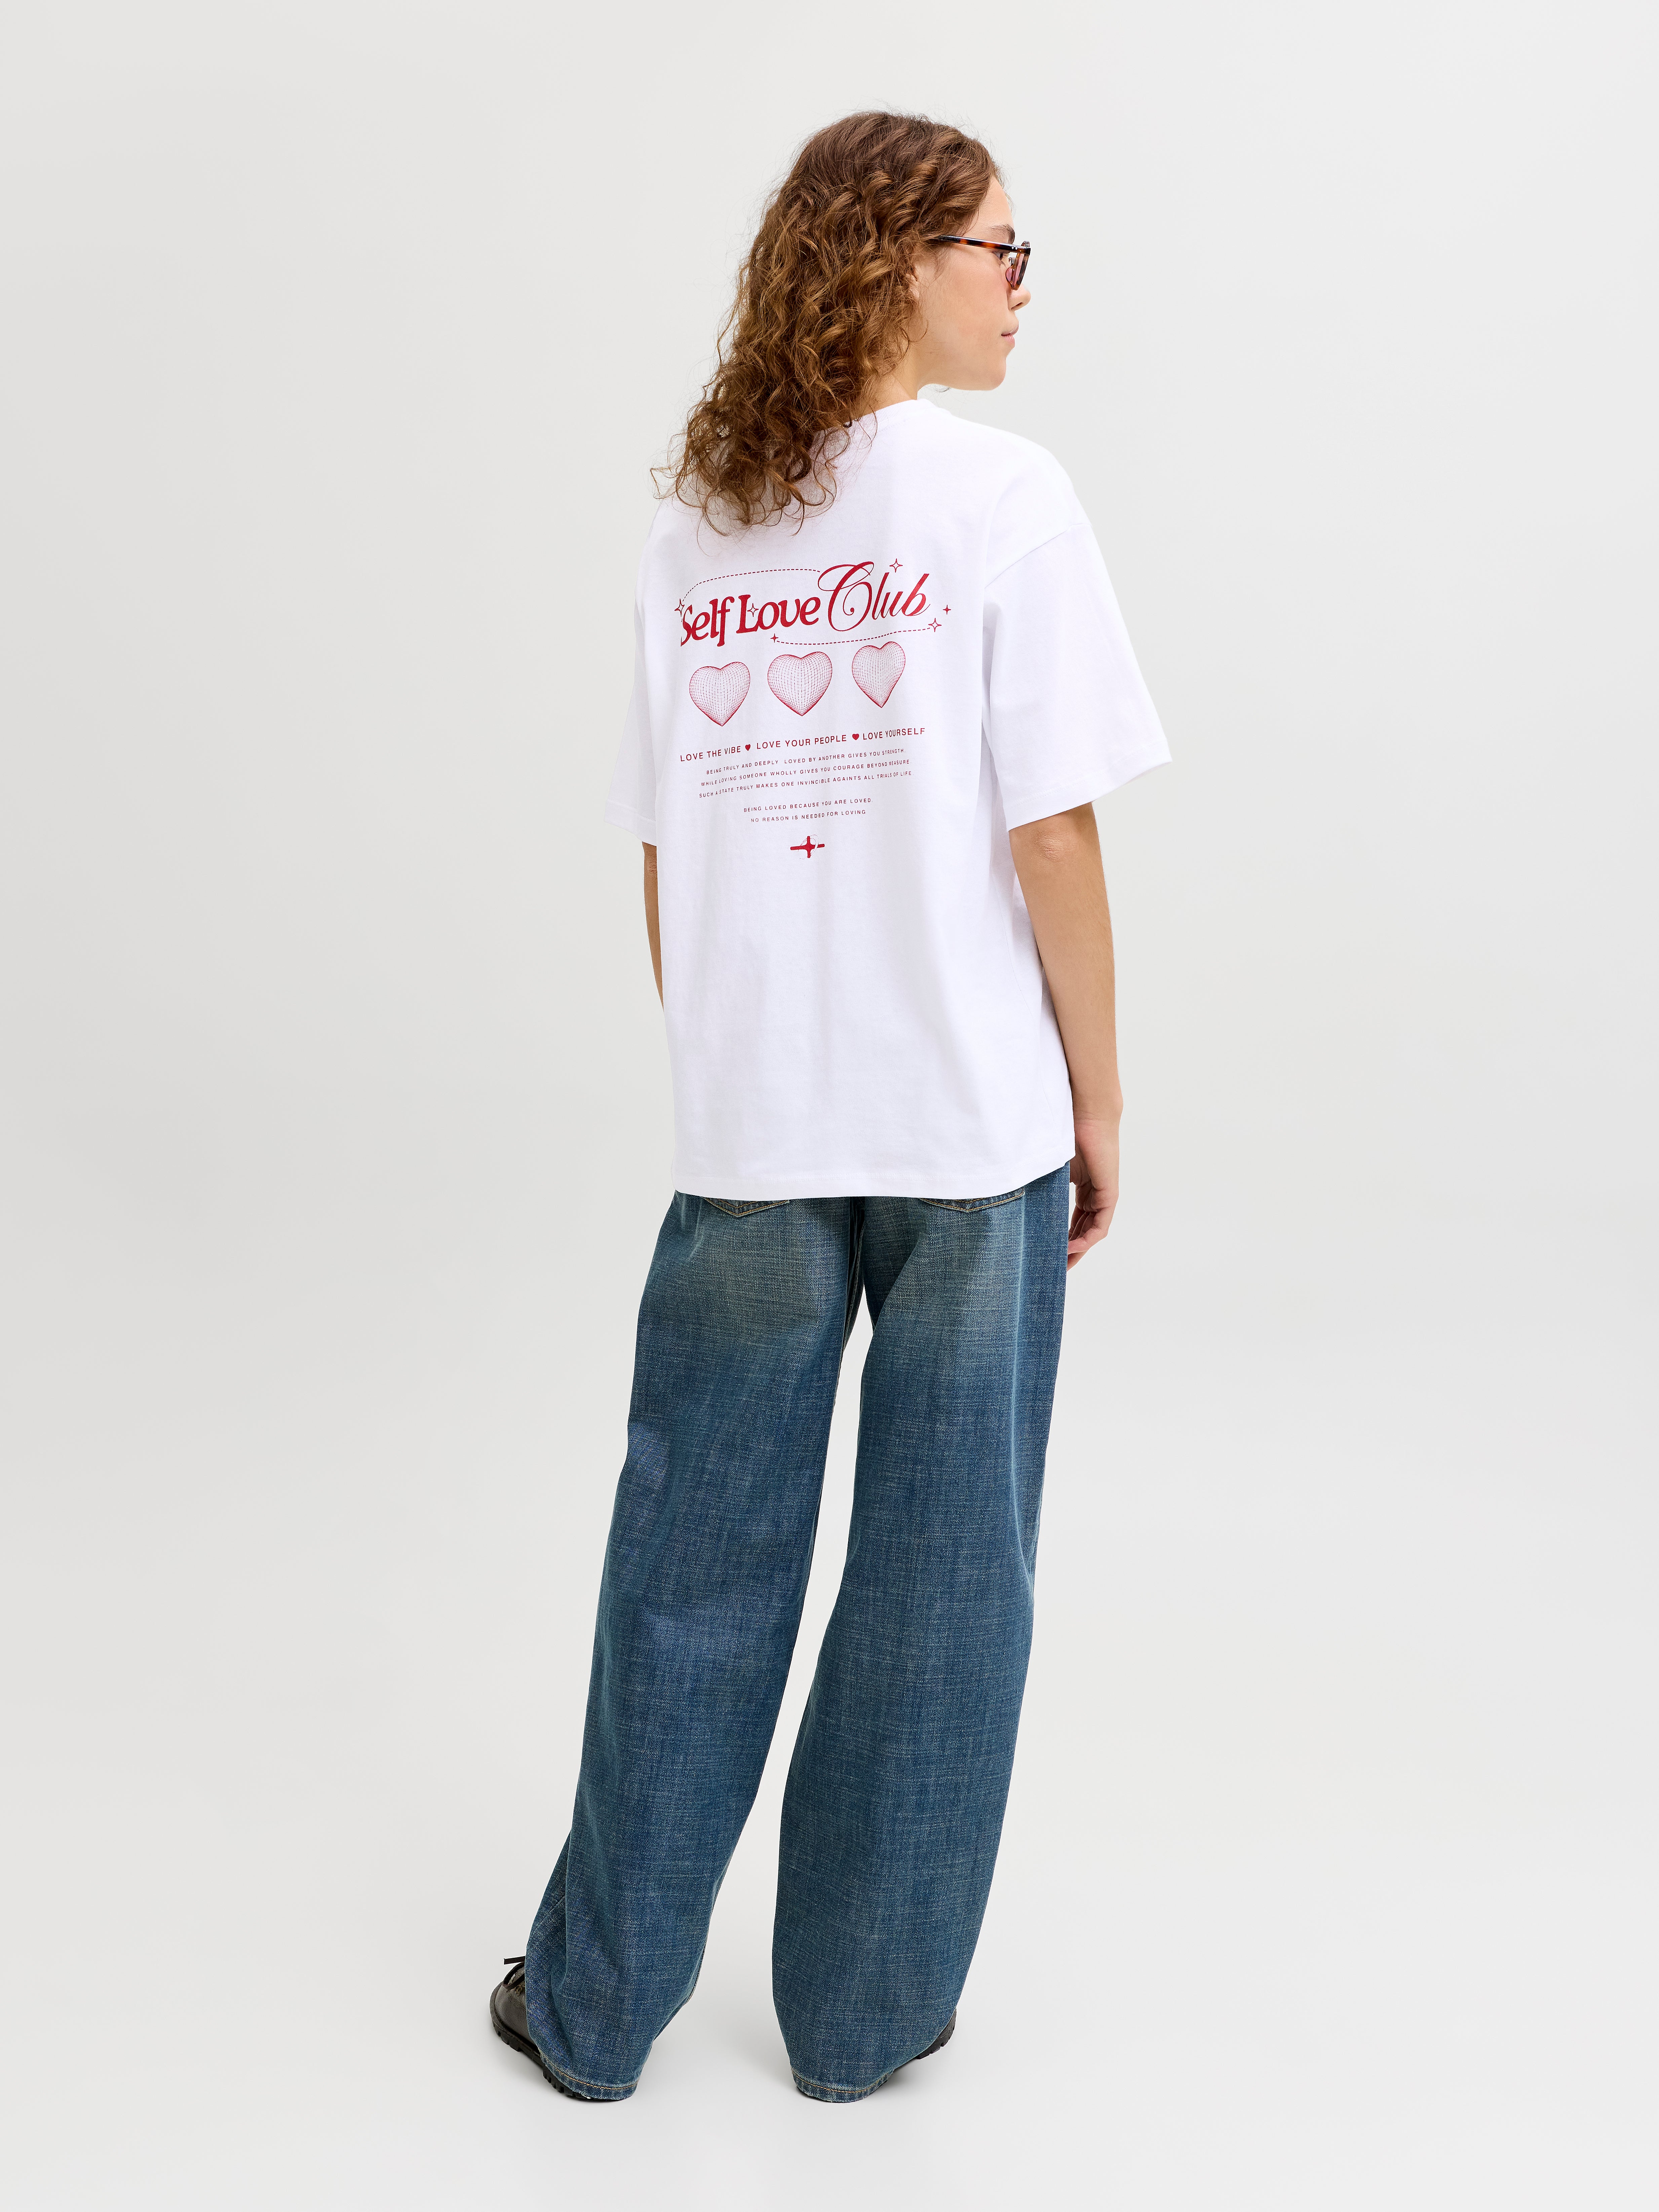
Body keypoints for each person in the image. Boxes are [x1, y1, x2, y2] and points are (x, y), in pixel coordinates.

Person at [490, 110, 1168, 2105]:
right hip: (969, 1126)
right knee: (944, 1578)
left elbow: (663, 858)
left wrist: (738, 1066)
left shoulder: (702, 526)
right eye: (1000, 251)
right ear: (895, 261)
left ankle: (594, 2010)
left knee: (687, 1561)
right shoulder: (1002, 500)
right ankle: (864, 2023)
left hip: (756, 1137)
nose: (1021, 289)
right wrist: (1099, 1095)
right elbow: (1052, 829)